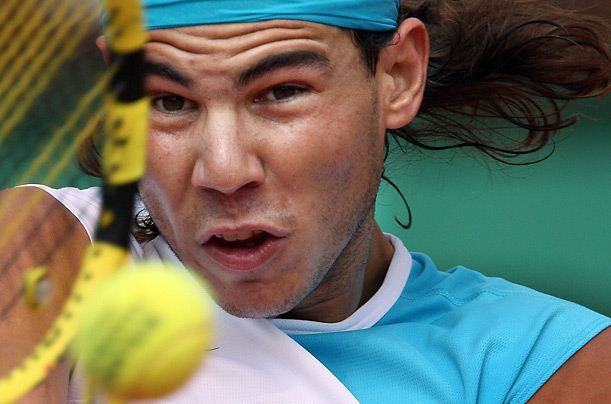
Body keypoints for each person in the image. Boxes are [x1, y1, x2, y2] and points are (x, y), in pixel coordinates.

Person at [0, 0, 610, 403]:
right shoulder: (39, 248)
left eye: (282, 91)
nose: (224, 170)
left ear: (398, 75)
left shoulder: (542, 362)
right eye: (168, 100)